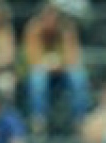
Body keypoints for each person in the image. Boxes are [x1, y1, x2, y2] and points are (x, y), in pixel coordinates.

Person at [22, 0, 90, 134]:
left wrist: (59, 64)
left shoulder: (67, 29)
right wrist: (48, 65)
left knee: (78, 77)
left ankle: (80, 119)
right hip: (43, 72)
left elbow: (73, 58)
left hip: (63, 72)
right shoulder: (33, 29)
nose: (50, 21)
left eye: (54, 18)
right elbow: (33, 59)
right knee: (37, 79)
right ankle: (39, 119)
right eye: (47, 17)